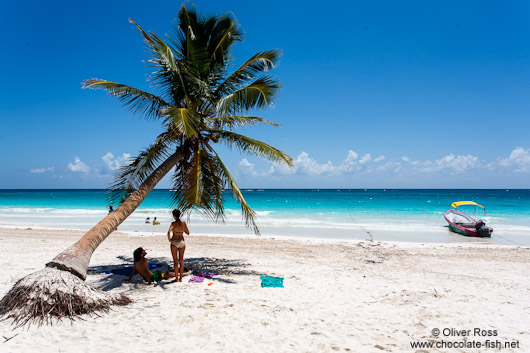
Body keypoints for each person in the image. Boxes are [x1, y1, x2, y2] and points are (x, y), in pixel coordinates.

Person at [168, 209, 189, 282]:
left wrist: (169, 239)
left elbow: (169, 232)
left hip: (174, 242)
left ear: (174, 216)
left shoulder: (173, 224)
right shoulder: (183, 223)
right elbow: (188, 232)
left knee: (175, 261)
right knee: (181, 260)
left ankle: (176, 278)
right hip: (181, 242)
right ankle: (181, 278)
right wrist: (182, 230)